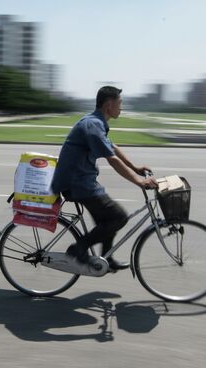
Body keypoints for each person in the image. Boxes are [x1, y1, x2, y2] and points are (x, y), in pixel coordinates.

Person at [50, 86, 157, 271]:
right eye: (120, 103)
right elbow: (112, 159)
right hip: (76, 183)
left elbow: (112, 147)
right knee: (119, 217)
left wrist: (135, 168)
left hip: (83, 181)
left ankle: (107, 258)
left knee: (108, 220)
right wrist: (139, 182)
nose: (121, 107)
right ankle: (78, 249)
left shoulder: (97, 123)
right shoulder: (92, 124)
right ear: (109, 105)